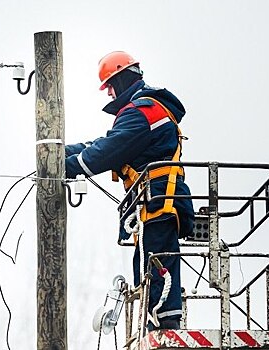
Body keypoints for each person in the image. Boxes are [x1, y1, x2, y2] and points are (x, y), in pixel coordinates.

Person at [65, 51, 194, 330]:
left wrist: (67, 166)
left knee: (154, 264)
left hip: (157, 198)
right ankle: (162, 319)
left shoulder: (140, 112)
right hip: (160, 198)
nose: (109, 93)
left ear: (121, 79)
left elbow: (108, 151)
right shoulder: (146, 109)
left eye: (110, 86)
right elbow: (106, 144)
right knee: (154, 261)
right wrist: (60, 153)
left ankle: (161, 323)